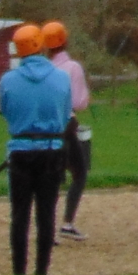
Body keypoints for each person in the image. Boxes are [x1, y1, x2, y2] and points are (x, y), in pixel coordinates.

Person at [0, 24, 73, 275]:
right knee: (46, 214)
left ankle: (18, 270)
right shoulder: (61, 77)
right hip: (51, 148)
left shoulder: (8, 80)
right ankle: (42, 270)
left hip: (21, 148)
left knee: (19, 214)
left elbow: (5, 111)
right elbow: (66, 110)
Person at [42, 22, 93, 239]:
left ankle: (48, 227)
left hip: (45, 128)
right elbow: (79, 102)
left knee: (53, 176)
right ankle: (67, 222)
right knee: (79, 173)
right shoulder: (73, 67)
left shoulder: (44, 69)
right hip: (67, 126)